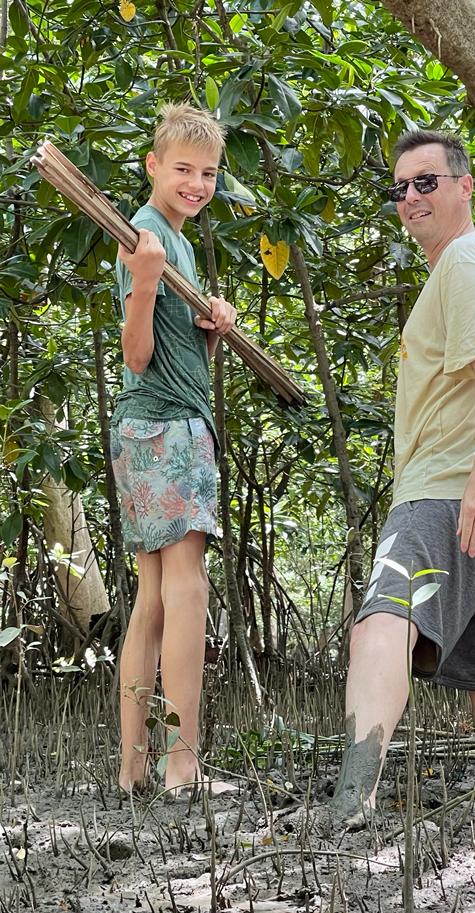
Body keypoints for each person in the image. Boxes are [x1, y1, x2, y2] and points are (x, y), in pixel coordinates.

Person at [330, 129, 475, 826]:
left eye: (427, 182)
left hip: (452, 489)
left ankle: (351, 801)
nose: (411, 197)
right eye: (401, 188)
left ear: (464, 186)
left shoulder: (463, 261)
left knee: (379, 623)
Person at [111, 103, 236, 796]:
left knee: (154, 597)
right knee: (187, 588)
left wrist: (210, 325)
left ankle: (134, 766)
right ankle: (182, 760)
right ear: (153, 165)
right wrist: (147, 282)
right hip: (166, 428)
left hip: (147, 426)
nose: (196, 183)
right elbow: (136, 355)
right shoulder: (147, 236)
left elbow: (172, 354)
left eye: (208, 173)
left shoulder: (173, 241)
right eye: (182, 169)